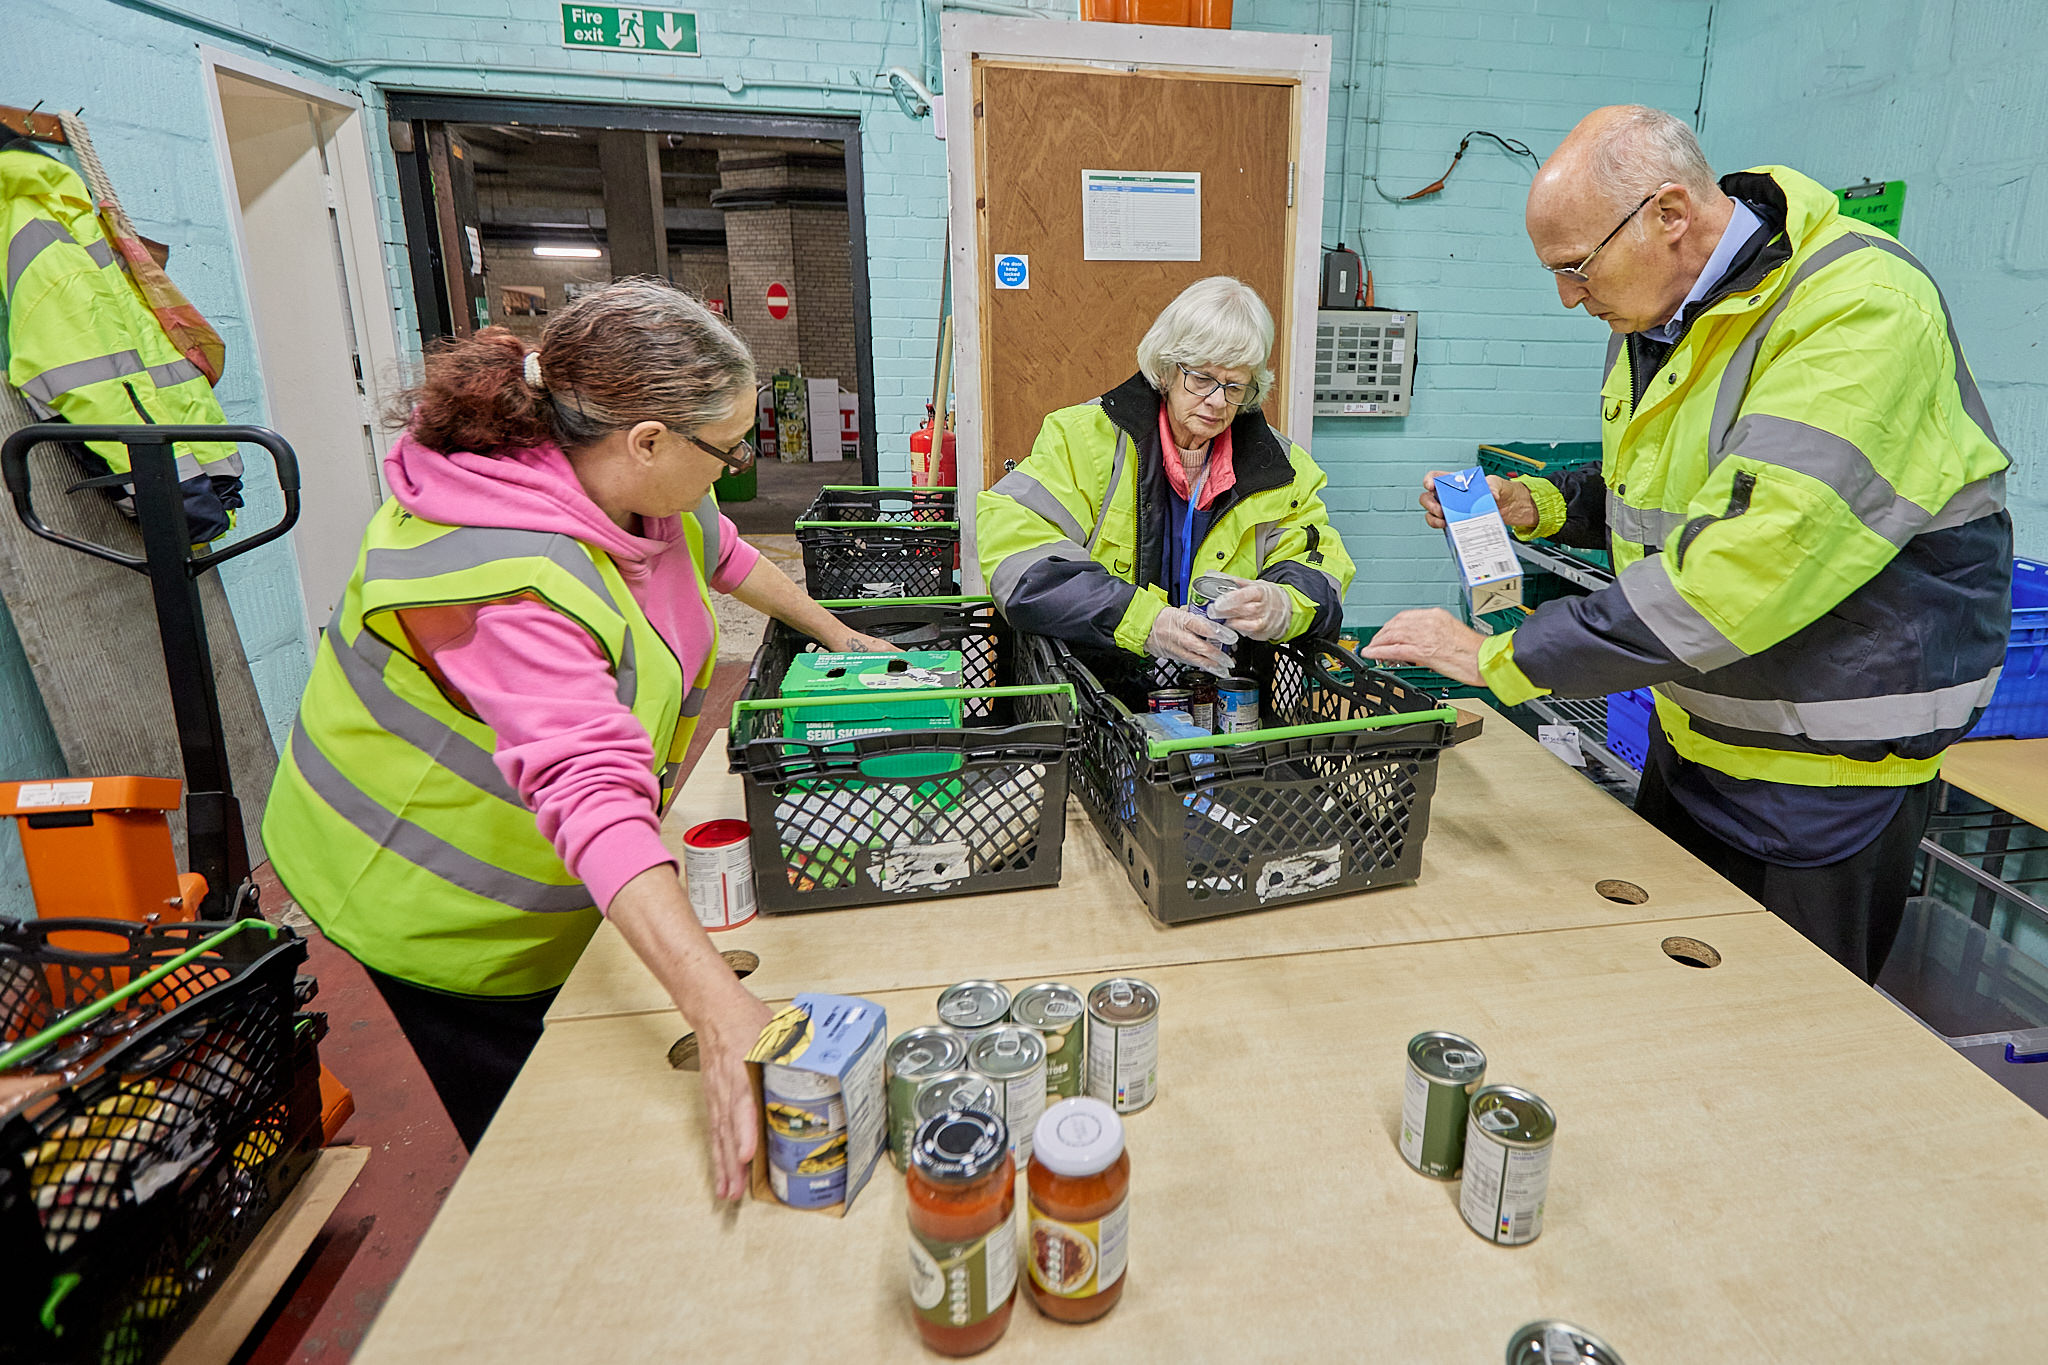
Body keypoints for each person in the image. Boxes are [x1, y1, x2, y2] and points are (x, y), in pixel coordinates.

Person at [264, 280, 894, 1188]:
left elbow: (719, 548)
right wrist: (720, 1006)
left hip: (559, 873)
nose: (737, 464)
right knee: (551, 1138)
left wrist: (835, 633)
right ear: (648, 441)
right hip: (432, 898)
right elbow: (587, 791)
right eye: (728, 449)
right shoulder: (504, 572)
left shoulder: (635, 477)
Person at [1369, 106, 2012, 984]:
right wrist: (1542, 504)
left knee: (1777, 1045)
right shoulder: (1660, 318)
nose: (1567, 294)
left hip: (1819, 787)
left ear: (1669, 215)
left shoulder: (1857, 311)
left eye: (1575, 267)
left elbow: (1747, 564)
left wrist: (1502, 655)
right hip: (1695, 741)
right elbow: (1672, 493)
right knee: (1659, 1004)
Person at [977, 276, 1354, 675]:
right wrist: (1146, 622)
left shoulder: (1284, 469)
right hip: (1098, 685)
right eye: (1202, 378)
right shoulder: (1083, 439)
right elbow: (1015, 553)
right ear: (1167, 368)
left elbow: (1321, 565)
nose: (1215, 401)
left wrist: (1282, 605)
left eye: (1234, 385)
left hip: (1219, 688)